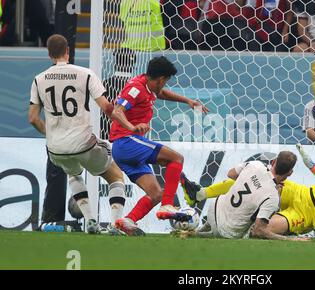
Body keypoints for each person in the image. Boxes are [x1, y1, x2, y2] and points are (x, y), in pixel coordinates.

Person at [181, 134, 315, 236]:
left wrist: (312, 166)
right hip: (303, 193)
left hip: (309, 215)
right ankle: (200, 194)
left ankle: (233, 221)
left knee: (259, 231)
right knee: (258, 178)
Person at [28, 34, 126, 234]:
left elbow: (33, 118)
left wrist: (52, 133)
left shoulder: (39, 79)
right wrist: (128, 125)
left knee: (73, 173)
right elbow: (107, 107)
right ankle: (116, 224)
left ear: (49, 55)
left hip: (56, 148)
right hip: (83, 142)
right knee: (116, 175)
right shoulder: (86, 74)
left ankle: (90, 221)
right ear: (68, 51)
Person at [111, 56, 209, 236]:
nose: (164, 86)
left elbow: (161, 93)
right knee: (176, 158)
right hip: (126, 142)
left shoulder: (148, 85)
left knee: (155, 193)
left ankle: (128, 220)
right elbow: (116, 111)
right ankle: (168, 205)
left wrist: (187, 101)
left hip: (126, 149)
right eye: (165, 81)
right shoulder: (135, 88)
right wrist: (132, 127)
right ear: (161, 79)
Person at [184, 151, 309, 241]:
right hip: (227, 232)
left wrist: (253, 182)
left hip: (213, 209)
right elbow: (259, 231)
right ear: (290, 173)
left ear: (273, 162)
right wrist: (291, 239)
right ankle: (198, 232)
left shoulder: (256, 165)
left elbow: (231, 174)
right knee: (235, 229)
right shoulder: (273, 197)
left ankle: (196, 231)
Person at [101, 48, 137, 140]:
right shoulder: (136, 86)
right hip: (128, 135)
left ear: (115, 64)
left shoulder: (105, 83)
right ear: (133, 65)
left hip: (105, 133)